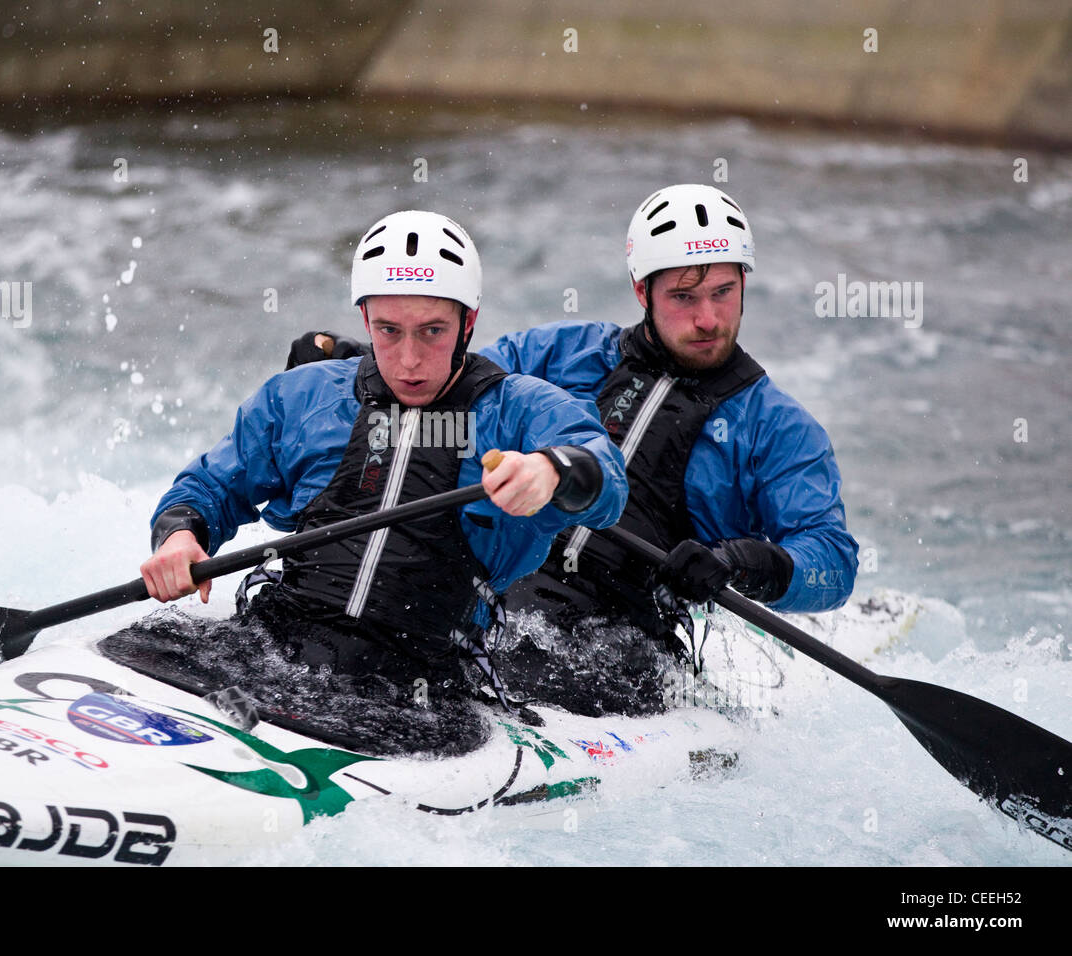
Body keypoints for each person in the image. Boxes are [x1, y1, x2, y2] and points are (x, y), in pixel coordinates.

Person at [286, 186, 859, 711]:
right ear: (643, 291)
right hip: (498, 607)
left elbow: (832, 562)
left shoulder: (779, 428)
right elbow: (451, 385)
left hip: (621, 644)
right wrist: (361, 364)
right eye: (684, 296)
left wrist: (749, 563)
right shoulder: (560, 355)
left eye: (723, 293)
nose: (707, 318)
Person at [138, 210, 628, 729]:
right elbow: (209, 486)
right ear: (366, 318)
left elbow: (605, 477)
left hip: (422, 682)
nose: (409, 360)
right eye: (389, 331)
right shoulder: (305, 393)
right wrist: (178, 536)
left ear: (469, 322)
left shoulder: (521, 408)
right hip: (273, 645)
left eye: (432, 332)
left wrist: (552, 469)